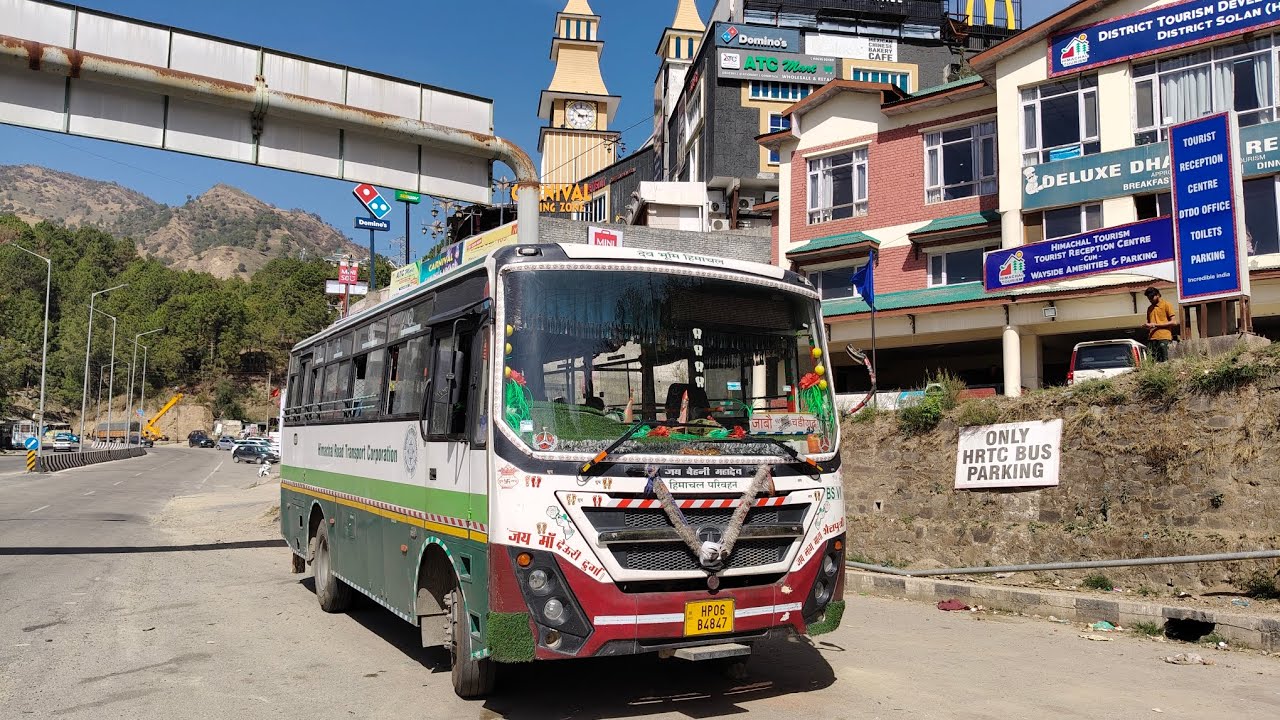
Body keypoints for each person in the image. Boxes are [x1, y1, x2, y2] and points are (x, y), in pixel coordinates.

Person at [1143, 287, 1178, 362]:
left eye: (1152, 298)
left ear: (1158, 295)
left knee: (1165, 362)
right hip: (1152, 339)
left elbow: (1174, 322)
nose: (1150, 300)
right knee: (1153, 363)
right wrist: (1147, 326)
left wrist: (1155, 325)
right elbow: (1150, 323)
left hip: (1164, 338)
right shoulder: (1149, 308)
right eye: (1149, 298)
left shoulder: (1166, 305)